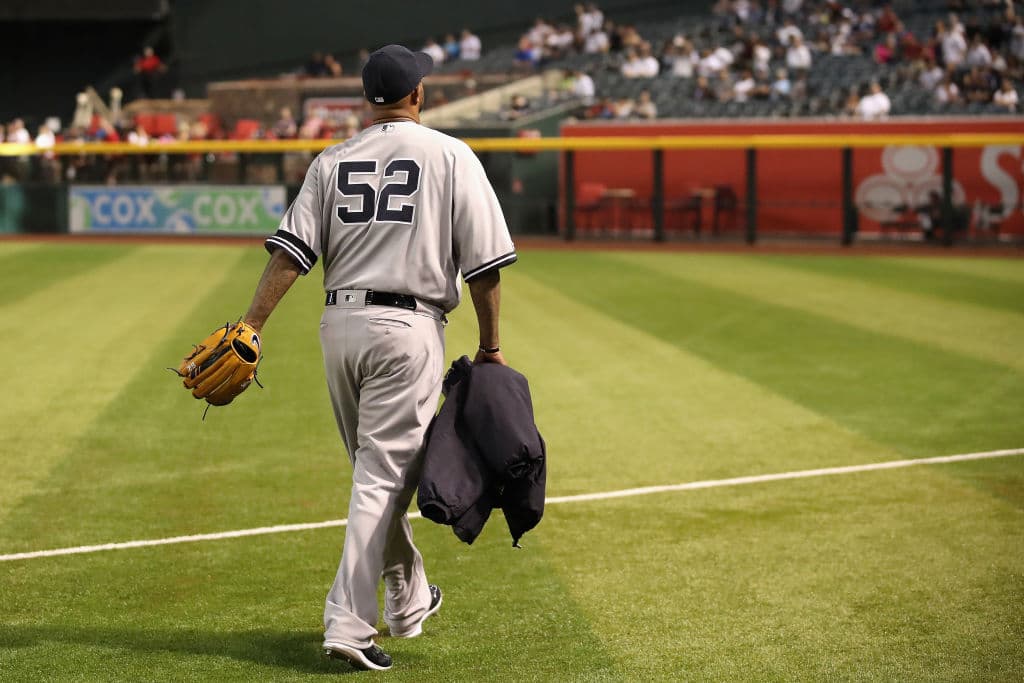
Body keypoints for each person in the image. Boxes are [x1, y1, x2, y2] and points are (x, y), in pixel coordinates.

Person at [240, 44, 516, 672]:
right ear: (418, 94)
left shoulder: (331, 160)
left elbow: (291, 253)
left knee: (375, 473)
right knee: (381, 479)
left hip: (339, 326)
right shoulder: (451, 154)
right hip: (406, 328)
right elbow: (486, 268)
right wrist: (492, 347)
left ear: (369, 99)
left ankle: (409, 597)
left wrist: (252, 323)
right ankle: (346, 623)